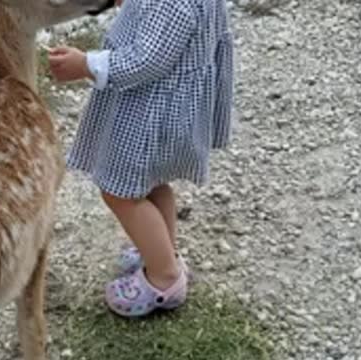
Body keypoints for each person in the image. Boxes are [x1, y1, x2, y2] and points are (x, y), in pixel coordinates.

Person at [47, 0, 234, 317]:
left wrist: (87, 65)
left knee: (120, 193)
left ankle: (165, 278)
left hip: (152, 114)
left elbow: (146, 60)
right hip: (169, 109)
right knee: (152, 183)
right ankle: (162, 254)